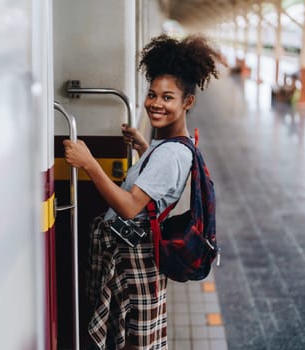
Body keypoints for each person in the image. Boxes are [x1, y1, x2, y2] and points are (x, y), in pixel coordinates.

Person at [63, 34, 223, 350]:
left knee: (133, 339)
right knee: (133, 334)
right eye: (152, 95)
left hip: (133, 256)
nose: (155, 103)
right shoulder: (172, 145)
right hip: (138, 253)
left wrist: (89, 164)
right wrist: (143, 145)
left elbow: (130, 207)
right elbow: (161, 178)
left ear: (187, 102)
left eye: (167, 98)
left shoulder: (170, 153)